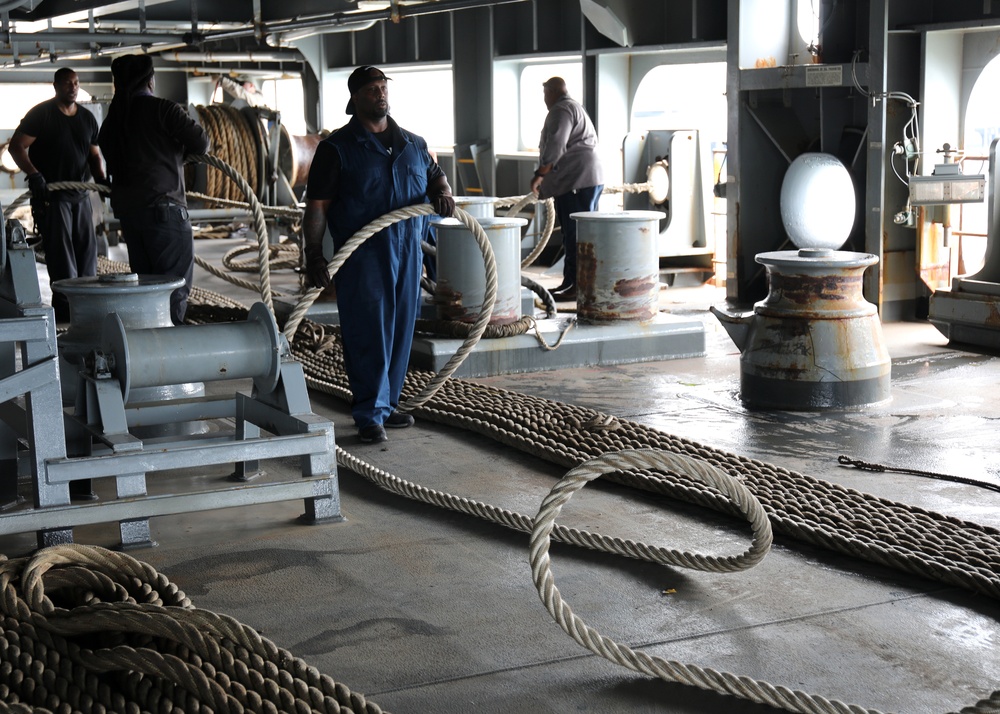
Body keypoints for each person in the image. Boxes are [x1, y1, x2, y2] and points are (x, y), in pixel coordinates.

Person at [302, 65, 455, 444]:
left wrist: (444, 191)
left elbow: (435, 175)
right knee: (368, 331)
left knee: (402, 330)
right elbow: (318, 207)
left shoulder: (414, 144)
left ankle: (388, 406)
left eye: (383, 88)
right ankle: (369, 413)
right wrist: (314, 256)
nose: (380, 95)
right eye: (371, 90)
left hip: (408, 254)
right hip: (363, 257)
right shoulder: (336, 149)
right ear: (354, 99)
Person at [98, 54, 210, 325]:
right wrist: (174, 158)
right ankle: (172, 355)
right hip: (165, 212)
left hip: (131, 216)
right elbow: (201, 143)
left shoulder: (114, 120)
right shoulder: (163, 110)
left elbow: (109, 149)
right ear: (150, 81)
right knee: (173, 289)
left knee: (146, 290)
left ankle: (149, 352)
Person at [9, 67, 106, 321]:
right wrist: (34, 174)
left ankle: (88, 313)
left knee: (87, 257)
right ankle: (65, 315)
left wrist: (102, 181)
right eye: (67, 83)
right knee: (63, 261)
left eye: (75, 83)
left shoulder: (87, 119)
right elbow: (17, 146)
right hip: (53, 198)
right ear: (56, 86)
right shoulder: (42, 115)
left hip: (81, 196)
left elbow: (95, 155)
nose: (73, 87)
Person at [529, 77, 604, 302]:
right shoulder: (574, 107)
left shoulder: (561, 110)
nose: (544, 99)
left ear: (552, 92)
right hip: (584, 179)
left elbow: (556, 144)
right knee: (574, 234)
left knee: (575, 235)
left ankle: (577, 287)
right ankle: (571, 283)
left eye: (545, 94)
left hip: (577, 181)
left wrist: (540, 174)